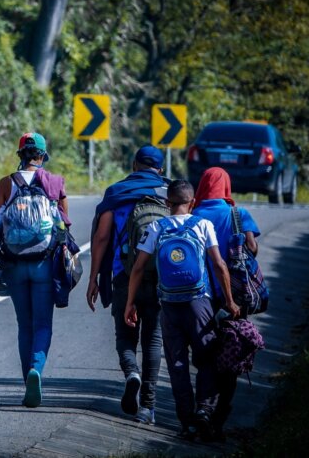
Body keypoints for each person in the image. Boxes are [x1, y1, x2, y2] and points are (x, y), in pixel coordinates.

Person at [124, 179, 240, 440]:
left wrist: (131, 302)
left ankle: (186, 421)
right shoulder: (202, 224)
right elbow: (219, 265)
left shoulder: (157, 226)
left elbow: (139, 268)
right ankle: (204, 412)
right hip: (200, 303)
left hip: (169, 305)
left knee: (176, 365)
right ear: (193, 203)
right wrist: (230, 301)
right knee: (207, 358)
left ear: (167, 204)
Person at [86, 145, 169, 424]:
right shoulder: (168, 193)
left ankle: (131, 372)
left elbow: (101, 238)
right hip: (161, 277)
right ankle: (148, 406)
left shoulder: (117, 193)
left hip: (124, 273)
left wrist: (94, 278)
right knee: (153, 340)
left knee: (125, 336)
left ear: (134, 165)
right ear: (160, 168)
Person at [0, 133, 69, 407]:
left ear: (20, 154)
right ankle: (37, 368)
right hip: (44, 265)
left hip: (14, 266)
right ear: (43, 156)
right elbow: (63, 227)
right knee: (42, 324)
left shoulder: (6, 183)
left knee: (24, 325)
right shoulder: (55, 183)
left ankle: (27, 381)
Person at [193, 167, 260, 440]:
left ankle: (203, 411)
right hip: (233, 297)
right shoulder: (238, 214)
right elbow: (253, 249)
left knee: (206, 355)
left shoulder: (193, 215)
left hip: (200, 298)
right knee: (230, 354)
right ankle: (218, 420)